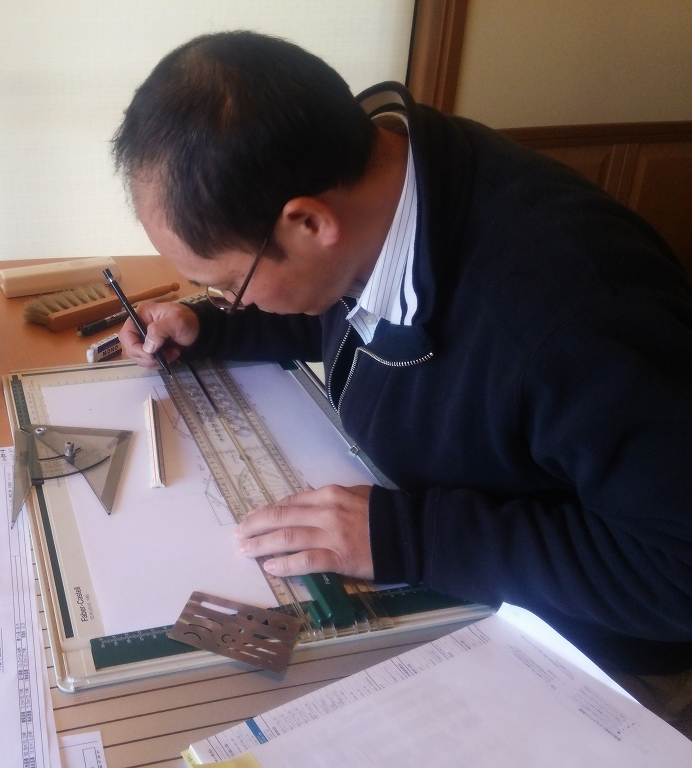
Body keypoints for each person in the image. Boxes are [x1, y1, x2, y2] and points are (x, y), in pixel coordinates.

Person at [111, 31, 692, 690]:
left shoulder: (575, 318)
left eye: (228, 286)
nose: (229, 300)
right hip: (464, 578)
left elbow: (677, 570)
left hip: (589, 658)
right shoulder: (385, 179)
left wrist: (411, 538)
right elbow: (347, 303)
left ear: (309, 224)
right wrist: (211, 326)